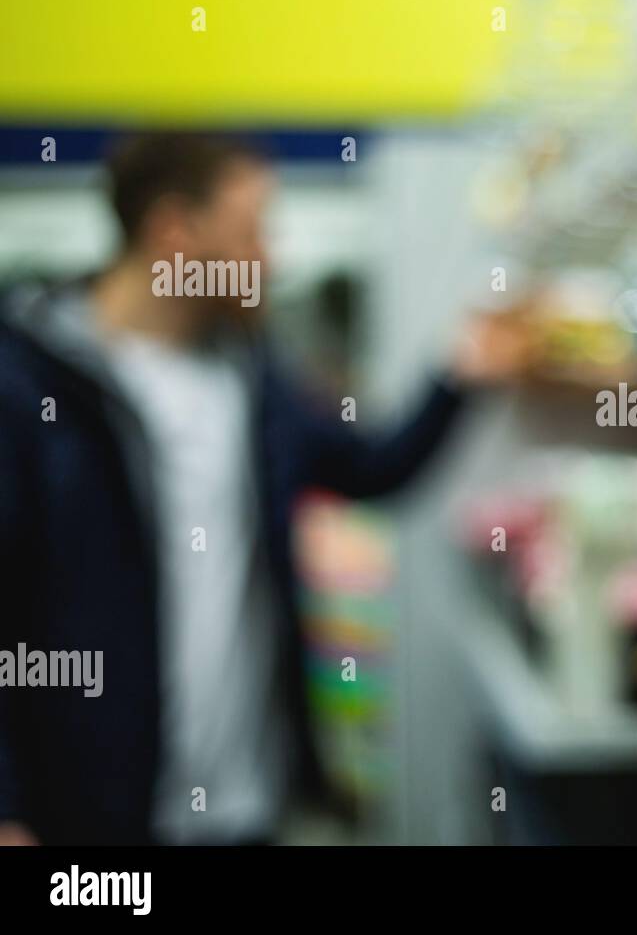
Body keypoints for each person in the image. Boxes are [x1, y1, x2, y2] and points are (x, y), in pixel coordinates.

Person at [0, 133, 498, 844]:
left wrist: (463, 372)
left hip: (246, 809)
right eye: (254, 230)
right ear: (175, 229)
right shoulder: (32, 388)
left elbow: (369, 469)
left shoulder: (252, 379)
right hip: (91, 824)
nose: (272, 259)